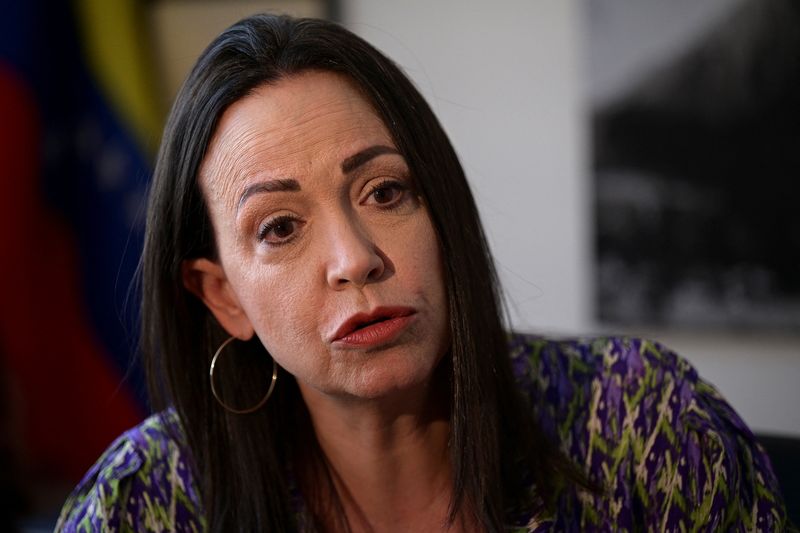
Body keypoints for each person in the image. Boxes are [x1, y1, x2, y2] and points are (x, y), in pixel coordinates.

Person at [56, 14, 789, 532]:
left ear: (444, 210)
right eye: (280, 227)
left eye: (385, 191)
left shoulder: (644, 426)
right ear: (223, 296)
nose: (355, 258)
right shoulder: (145, 504)